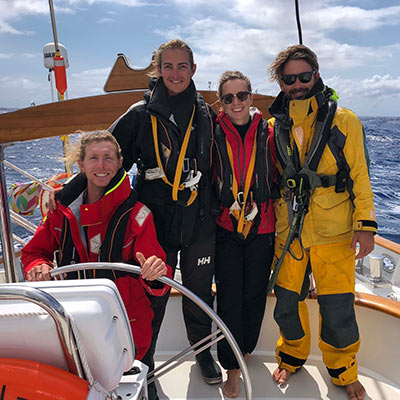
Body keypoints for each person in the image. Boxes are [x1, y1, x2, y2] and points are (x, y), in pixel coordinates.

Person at [108, 39, 221, 399]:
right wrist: (65, 194)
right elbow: (108, 163)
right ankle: (146, 365)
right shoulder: (139, 114)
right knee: (152, 296)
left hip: (199, 220)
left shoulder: (208, 114)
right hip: (154, 225)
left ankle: (203, 353)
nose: (175, 74)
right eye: (168, 67)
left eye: (182, 66)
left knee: (200, 291)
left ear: (193, 70)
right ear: (157, 69)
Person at [267, 44, 377, 400]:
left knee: (337, 307)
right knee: (287, 303)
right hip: (290, 232)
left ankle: (344, 370)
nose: (297, 84)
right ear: (280, 82)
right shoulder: (271, 127)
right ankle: (291, 356)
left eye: (304, 76)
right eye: (289, 78)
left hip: (335, 230)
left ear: (316, 75)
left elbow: (360, 176)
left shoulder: (344, 120)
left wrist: (366, 225)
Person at [21, 131, 172, 361]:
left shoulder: (138, 215)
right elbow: (33, 252)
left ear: (120, 162)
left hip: (126, 325)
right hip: (71, 318)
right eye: (93, 158)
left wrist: (155, 270)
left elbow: (159, 271)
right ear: (81, 164)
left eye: (108, 157)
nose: (101, 165)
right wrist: (38, 265)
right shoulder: (60, 211)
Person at [212, 71, 276, 397]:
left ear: (251, 98)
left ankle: (245, 349)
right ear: (220, 104)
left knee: (254, 297)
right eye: (228, 98)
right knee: (229, 299)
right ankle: (232, 367)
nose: (236, 103)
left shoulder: (270, 132)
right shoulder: (211, 132)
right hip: (226, 229)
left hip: (262, 228)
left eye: (242, 96)